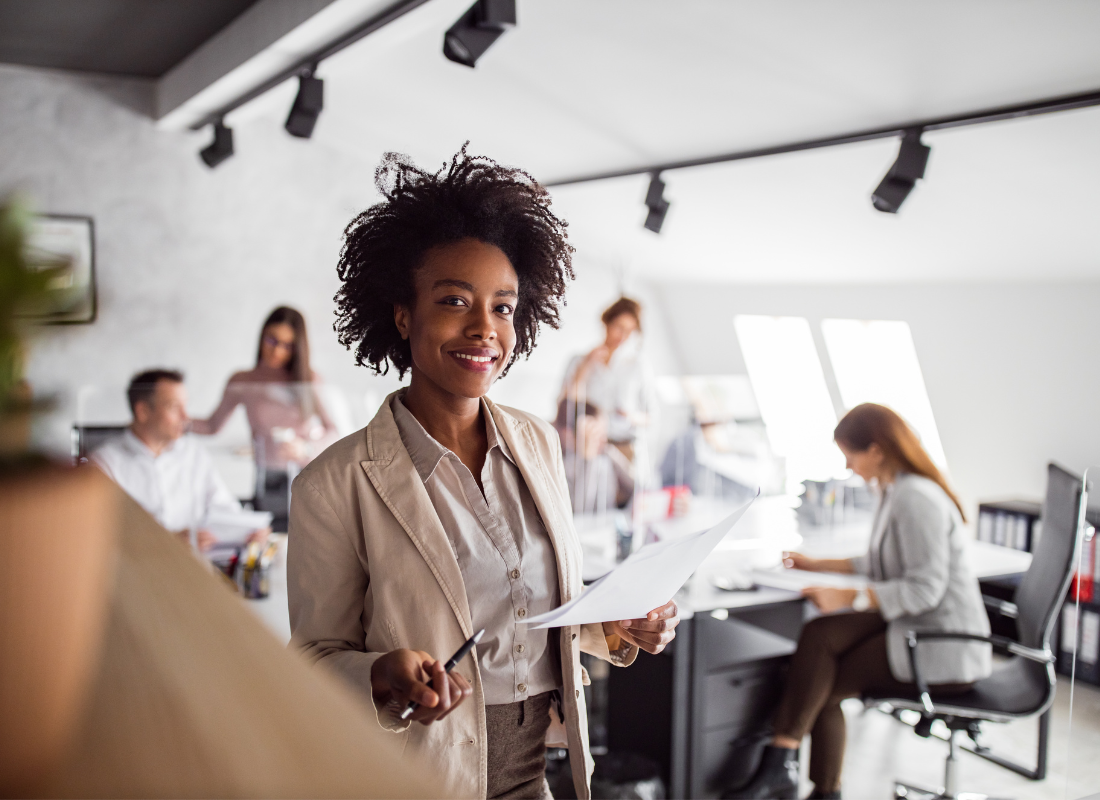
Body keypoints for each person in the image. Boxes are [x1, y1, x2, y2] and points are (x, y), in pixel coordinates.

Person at [288, 147, 680, 800]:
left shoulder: (536, 440)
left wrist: (617, 624)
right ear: (403, 313)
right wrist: (383, 673)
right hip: (419, 774)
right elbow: (315, 660)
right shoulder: (335, 483)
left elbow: (535, 605)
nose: (484, 328)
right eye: (454, 300)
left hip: (538, 770)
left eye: (502, 306)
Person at [731, 404, 991, 800]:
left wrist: (849, 595)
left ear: (877, 450)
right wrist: (818, 564)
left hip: (941, 642)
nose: (849, 467)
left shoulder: (916, 498)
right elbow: (881, 563)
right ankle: (786, 765)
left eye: (850, 456)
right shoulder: (894, 490)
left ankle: (806, 779)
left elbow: (926, 589)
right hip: (912, 621)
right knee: (818, 635)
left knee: (824, 682)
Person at [191, 306, 337, 530]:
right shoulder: (243, 381)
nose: (277, 351)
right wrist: (176, 419)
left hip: (309, 478)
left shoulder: (310, 381)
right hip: (267, 479)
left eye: (287, 345)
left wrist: (306, 448)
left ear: (297, 348)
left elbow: (334, 431)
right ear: (262, 337)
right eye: (272, 341)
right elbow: (212, 426)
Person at [93, 369, 268, 552]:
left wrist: (248, 531)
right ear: (143, 411)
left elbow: (223, 507)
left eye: (185, 406)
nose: (186, 417)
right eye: (174, 407)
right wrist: (165, 542)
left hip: (196, 570)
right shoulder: (104, 465)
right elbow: (100, 536)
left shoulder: (194, 454)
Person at [560, 297, 648, 455]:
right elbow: (567, 405)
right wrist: (586, 366)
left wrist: (630, 416)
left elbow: (650, 416)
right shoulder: (579, 361)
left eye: (629, 331)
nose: (622, 336)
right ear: (606, 323)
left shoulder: (637, 367)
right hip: (586, 445)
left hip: (623, 445)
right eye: (619, 327)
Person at [554, 399, 633, 515]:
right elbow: (579, 511)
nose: (603, 440)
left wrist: (611, 453)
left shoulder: (606, 454)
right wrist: (588, 459)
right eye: (596, 434)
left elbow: (635, 488)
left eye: (604, 434)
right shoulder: (563, 465)